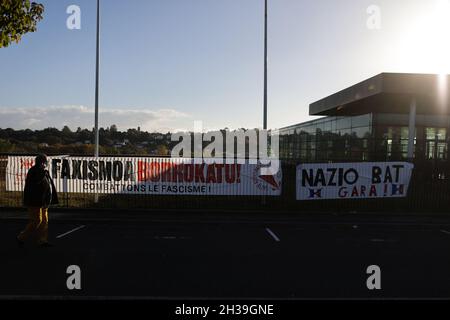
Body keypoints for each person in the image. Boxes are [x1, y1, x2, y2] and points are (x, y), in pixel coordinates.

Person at [17, 154, 59, 247]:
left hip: (43, 201)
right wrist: (43, 172)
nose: (46, 163)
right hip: (35, 201)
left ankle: (42, 240)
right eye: (45, 161)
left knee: (44, 221)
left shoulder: (43, 171)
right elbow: (36, 182)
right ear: (42, 162)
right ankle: (21, 237)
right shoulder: (35, 171)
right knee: (37, 221)